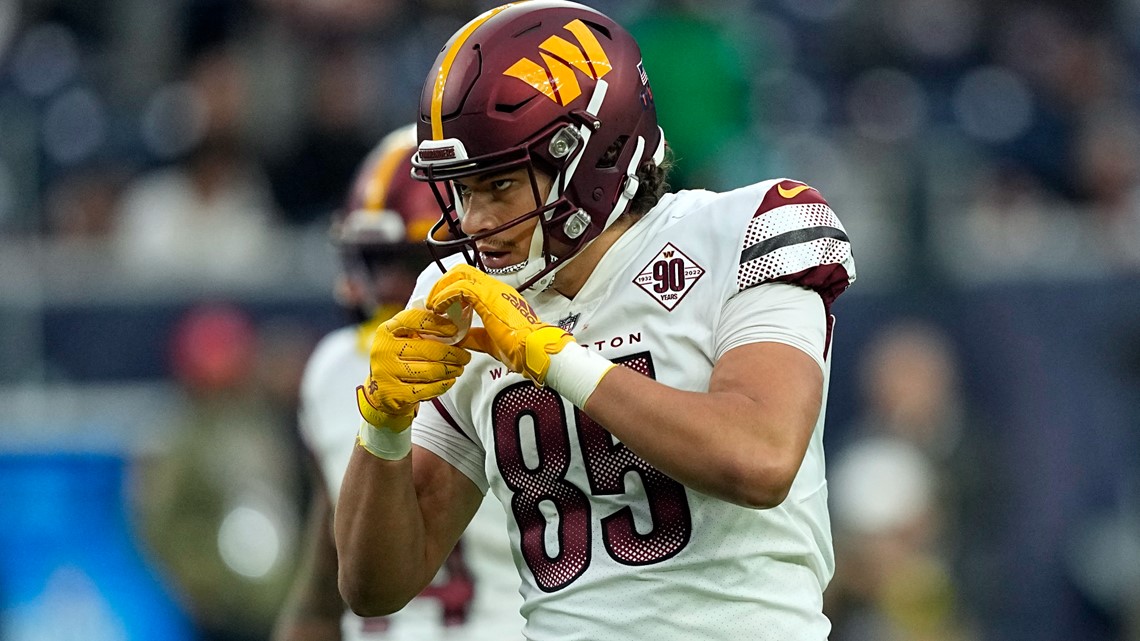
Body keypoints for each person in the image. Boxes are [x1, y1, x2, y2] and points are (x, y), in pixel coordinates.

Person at [335, 2, 856, 639]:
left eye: (498, 185)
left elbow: (759, 459)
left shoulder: (744, 231)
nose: (471, 222)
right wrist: (383, 420)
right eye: (463, 190)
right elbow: (374, 587)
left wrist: (552, 357)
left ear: (591, 161)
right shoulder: (457, 296)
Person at [273, 125, 525, 641]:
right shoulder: (335, 368)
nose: (389, 285)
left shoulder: (528, 356)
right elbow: (325, 587)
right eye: (376, 260)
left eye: (410, 263)